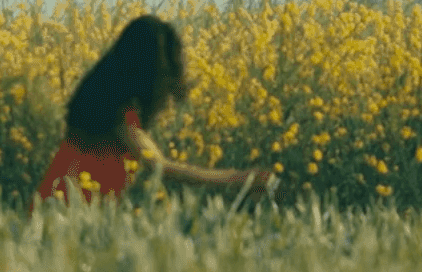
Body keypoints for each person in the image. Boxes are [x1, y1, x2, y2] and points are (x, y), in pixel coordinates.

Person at [35, 14, 267, 207]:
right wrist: (240, 179)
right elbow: (160, 167)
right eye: (164, 71)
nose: (167, 82)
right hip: (69, 213)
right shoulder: (117, 114)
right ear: (145, 70)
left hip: (61, 207)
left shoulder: (99, 102)